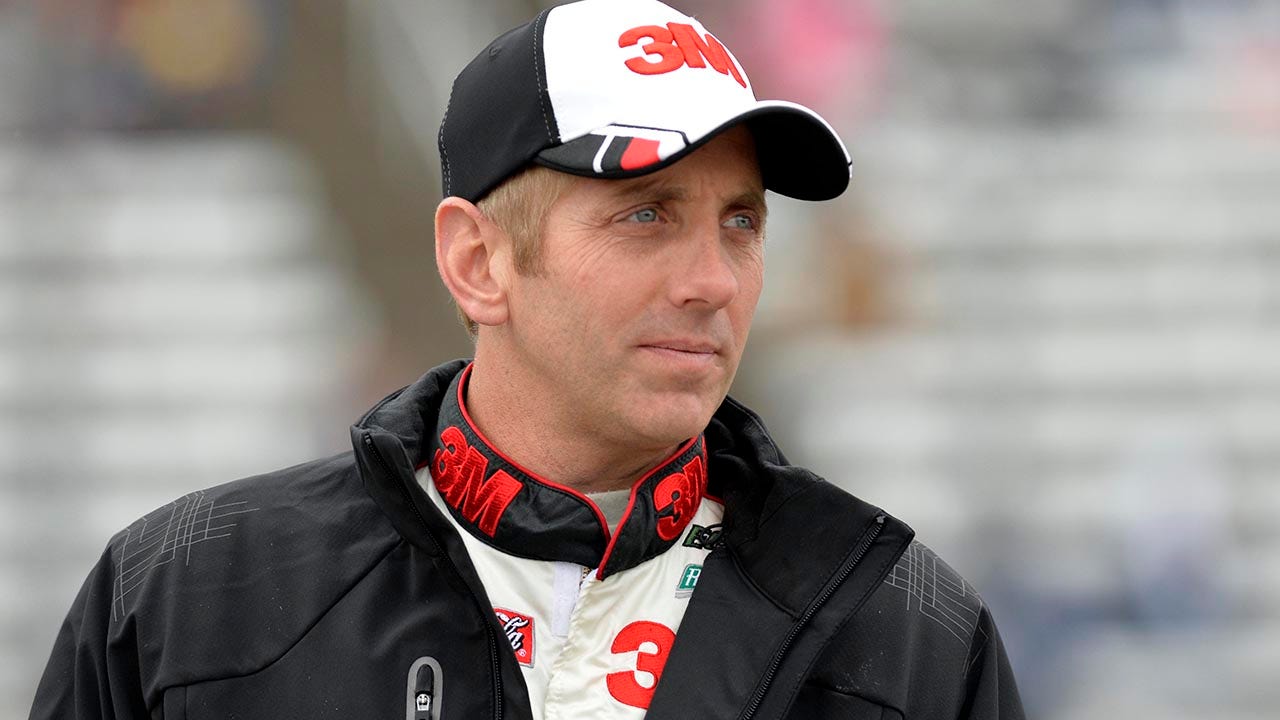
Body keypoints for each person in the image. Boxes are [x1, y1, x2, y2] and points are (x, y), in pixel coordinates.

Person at [31, 1, 1025, 718]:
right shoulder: (188, 601)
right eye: (646, 214)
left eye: (740, 222)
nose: (713, 280)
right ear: (477, 262)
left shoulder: (909, 634)